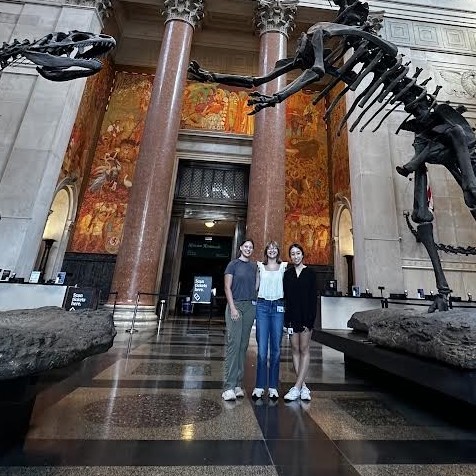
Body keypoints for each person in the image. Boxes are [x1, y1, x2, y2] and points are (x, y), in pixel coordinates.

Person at [222, 239, 257, 401]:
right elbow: (227, 287)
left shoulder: (254, 266)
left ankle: (237, 384)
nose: (248, 249)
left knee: (243, 346)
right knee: (234, 344)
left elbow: (255, 287)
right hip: (235, 305)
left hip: (249, 306)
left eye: (251, 247)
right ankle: (228, 386)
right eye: (246, 246)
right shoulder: (233, 265)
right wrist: (233, 307)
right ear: (241, 248)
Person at [252, 241, 287, 400]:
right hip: (262, 306)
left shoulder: (284, 267)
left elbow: (288, 288)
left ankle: (272, 386)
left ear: (278, 251)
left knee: (276, 349)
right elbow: (255, 287)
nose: (272, 250)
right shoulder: (260, 266)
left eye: (275, 248)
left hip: (278, 306)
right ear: (266, 251)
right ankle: (259, 386)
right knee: (262, 350)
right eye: (269, 248)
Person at [283, 243, 317, 401]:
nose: (295, 256)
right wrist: (286, 320)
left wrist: (310, 320)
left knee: (304, 349)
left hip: (306, 318)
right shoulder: (288, 274)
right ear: (290, 257)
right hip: (291, 317)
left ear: (302, 255)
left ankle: (296, 387)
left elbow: (312, 298)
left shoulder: (310, 273)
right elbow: (286, 298)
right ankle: (302, 387)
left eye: (298, 253)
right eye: (292, 254)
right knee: (294, 349)